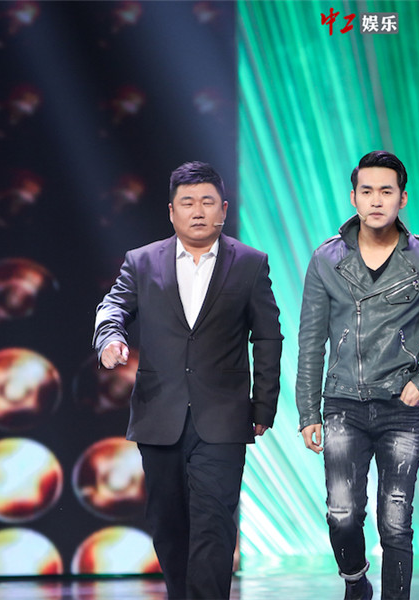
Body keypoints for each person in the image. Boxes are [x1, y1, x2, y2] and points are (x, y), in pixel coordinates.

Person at [93, 161, 282, 600]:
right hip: (160, 414)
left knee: (214, 524)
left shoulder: (250, 264)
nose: (198, 211)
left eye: (207, 202)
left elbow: (268, 336)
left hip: (224, 417)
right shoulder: (142, 261)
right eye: (188, 202)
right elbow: (112, 307)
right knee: (169, 525)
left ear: (223, 210)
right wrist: (110, 338)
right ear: (171, 211)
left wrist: (263, 404)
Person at [296, 150, 419, 600]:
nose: (376, 200)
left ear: (402, 199)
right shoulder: (326, 259)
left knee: (395, 522)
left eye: (386, 191)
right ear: (353, 197)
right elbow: (311, 339)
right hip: (341, 404)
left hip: (400, 407)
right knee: (342, 514)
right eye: (367, 191)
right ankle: (355, 580)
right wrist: (307, 411)